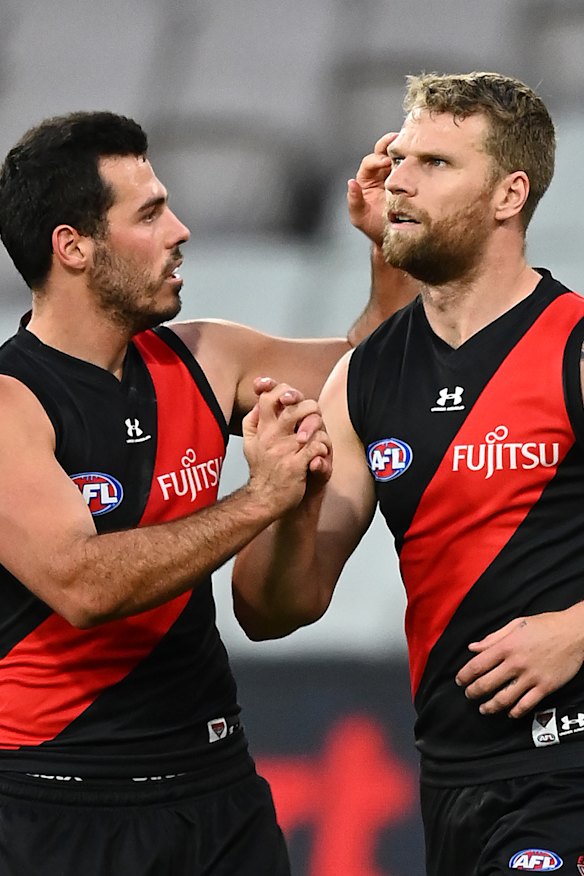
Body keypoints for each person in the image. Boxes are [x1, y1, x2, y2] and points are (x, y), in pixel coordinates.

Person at [0, 111, 415, 875]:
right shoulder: (11, 403)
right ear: (74, 247)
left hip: (217, 792)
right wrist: (260, 499)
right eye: (151, 213)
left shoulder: (203, 355)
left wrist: (387, 245)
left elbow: (378, 380)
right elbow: (81, 583)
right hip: (61, 806)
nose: (181, 230)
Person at [233, 71, 584, 875]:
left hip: (570, 768)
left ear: (509, 195)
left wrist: (576, 629)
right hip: (455, 777)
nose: (399, 179)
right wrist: (281, 495)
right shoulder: (363, 379)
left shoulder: (574, 343)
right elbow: (273, 611)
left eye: (435, 163)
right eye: (400, 159)